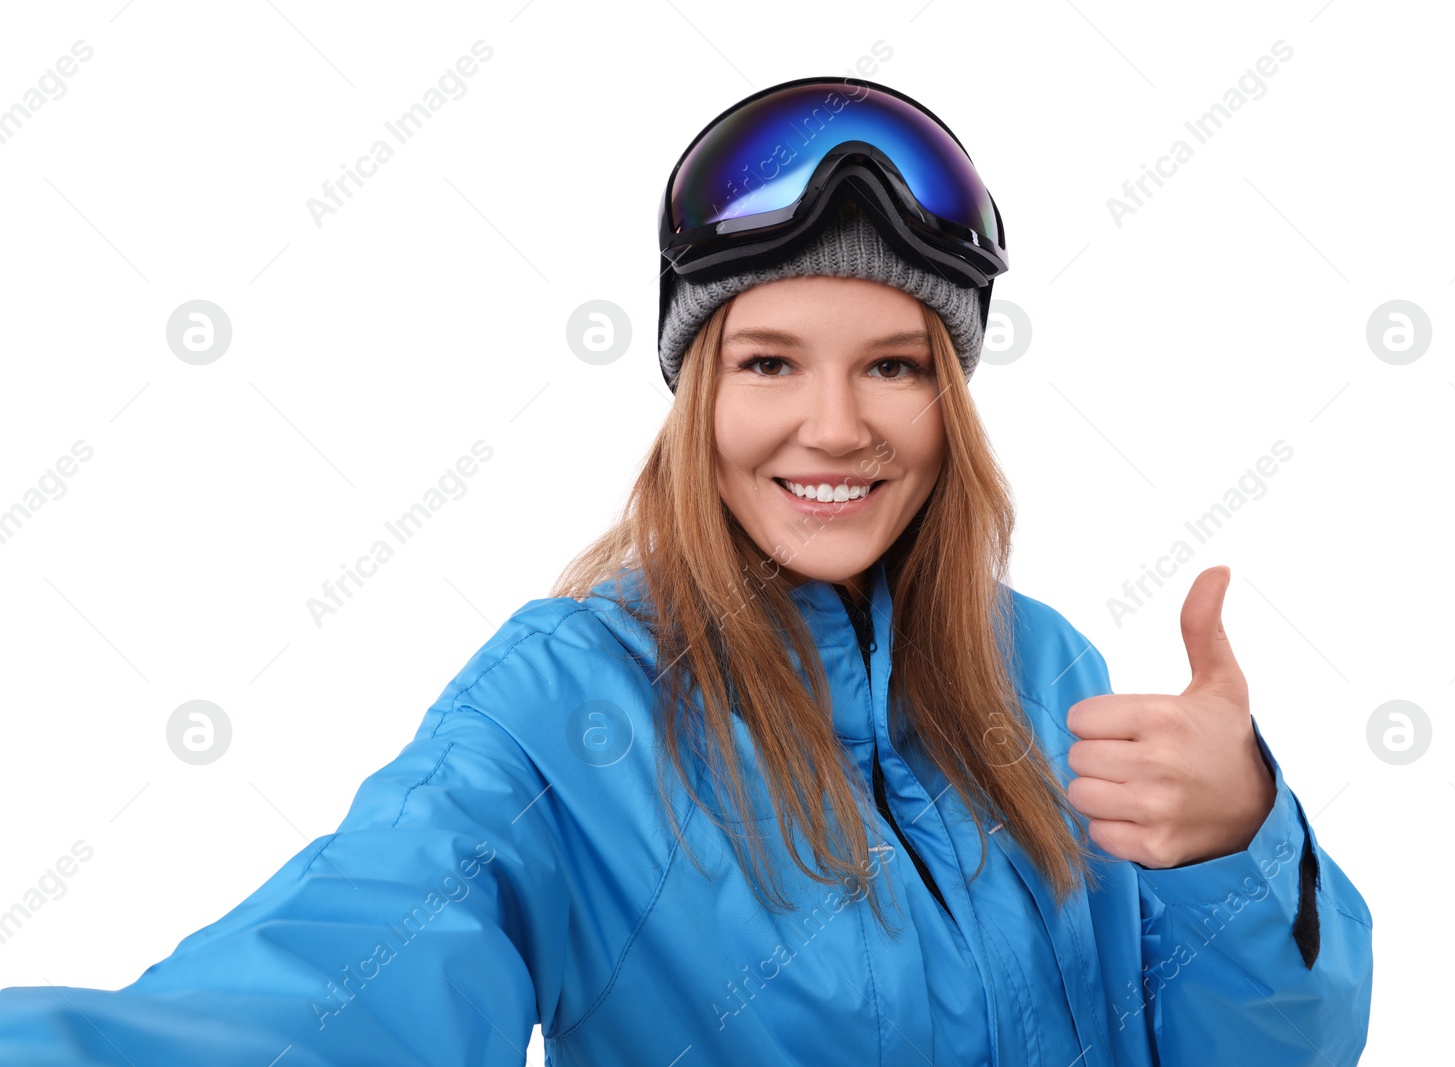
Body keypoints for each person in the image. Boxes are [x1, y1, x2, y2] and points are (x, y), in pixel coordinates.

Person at [0, 76, 1373, 1065]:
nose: (833, 426)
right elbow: (338, 983)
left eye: (893, 366)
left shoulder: (1047, 669)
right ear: (695, 390)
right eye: (769, 362)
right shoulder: (567, 706)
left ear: (948, 399)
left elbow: (1271, 1055)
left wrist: (1242, 840)